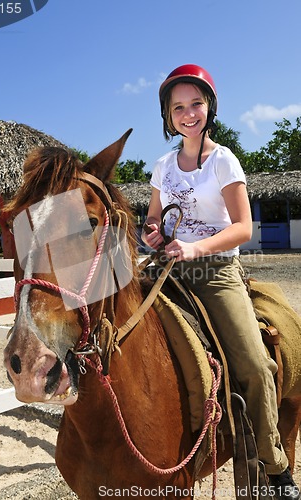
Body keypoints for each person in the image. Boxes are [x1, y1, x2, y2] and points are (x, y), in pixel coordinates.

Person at [141, 64, 300, 500]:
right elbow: (152, 220)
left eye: (196, 104)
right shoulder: (162, 165)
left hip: (214, 273)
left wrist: (195, 248)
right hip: (166, 268)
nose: (188, 114)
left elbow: (243, 227)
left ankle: (276, 466)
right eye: (178, 107)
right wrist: (151, 233)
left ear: (209, 107)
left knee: (252, 364)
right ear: (167, 114)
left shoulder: (224, 160)